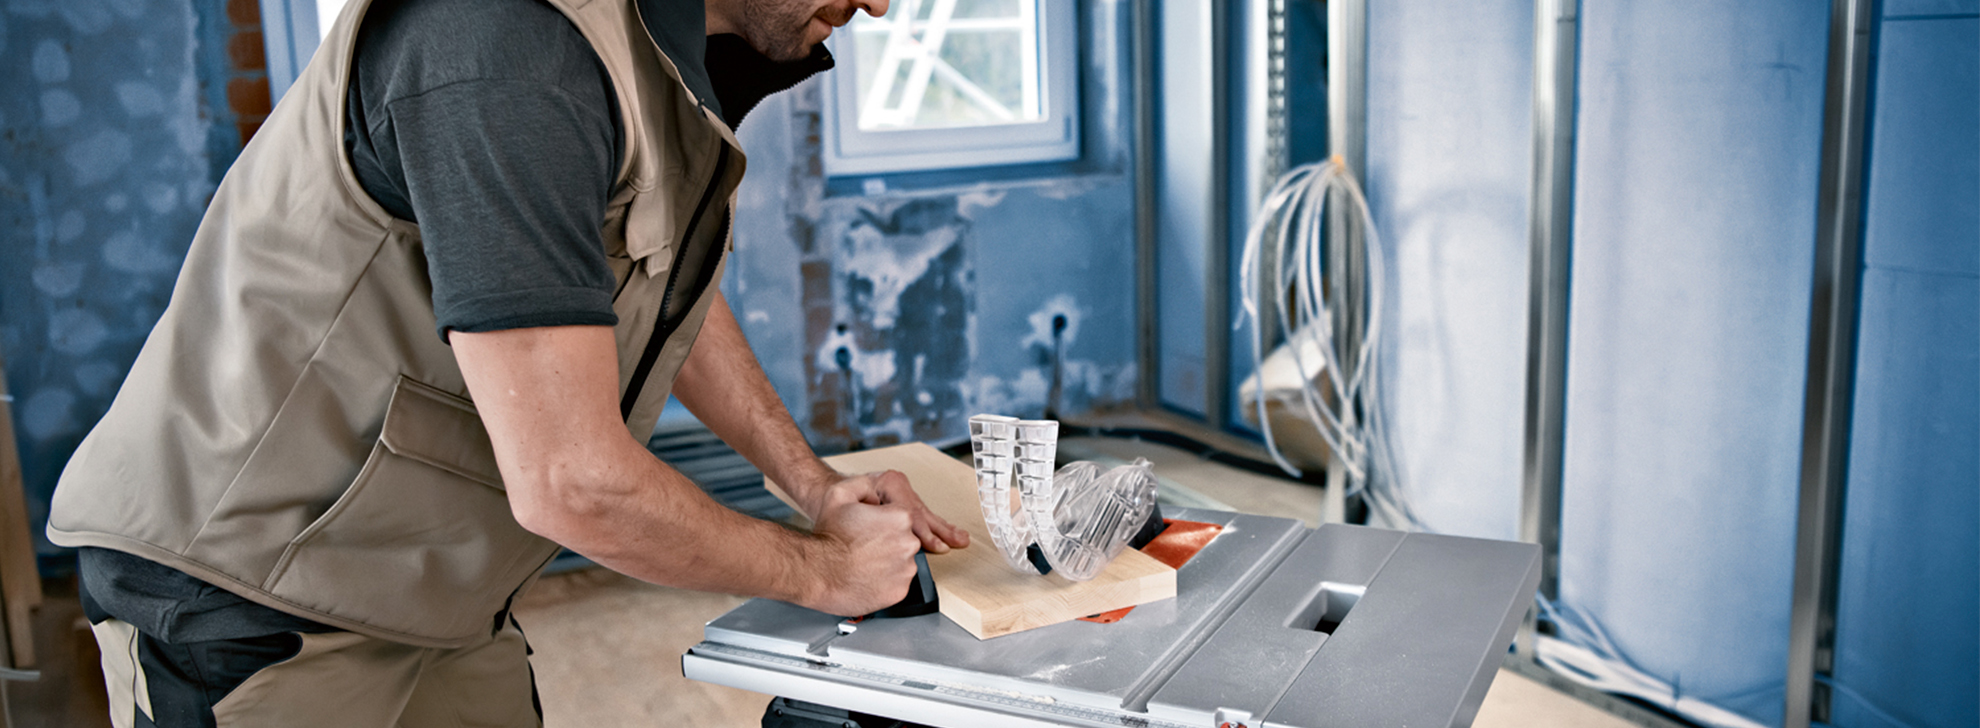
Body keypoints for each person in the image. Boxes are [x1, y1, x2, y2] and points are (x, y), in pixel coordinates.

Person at [44, 0, 968, 724]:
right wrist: (822, 572)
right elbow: (574, 482)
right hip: (247, 591)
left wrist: (814, 486)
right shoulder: (506, 46)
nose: (880, 6)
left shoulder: (643, 49)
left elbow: (647, 281)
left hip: (432, 581)